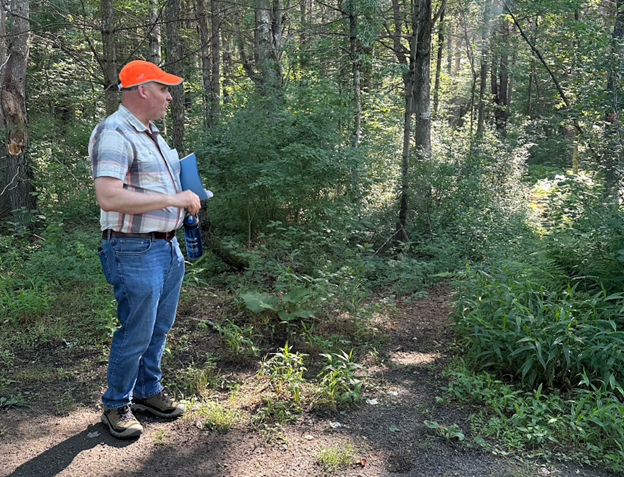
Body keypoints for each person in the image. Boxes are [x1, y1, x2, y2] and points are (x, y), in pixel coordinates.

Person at [89, 60, 201, 439]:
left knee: (159, 327)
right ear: (143, 90)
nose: (170, 96)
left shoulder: (153, 134)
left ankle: (147, 392)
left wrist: (189, 197)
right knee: (136, 330)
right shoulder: (114, 132)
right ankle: (116, 403)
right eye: (165, 89)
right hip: (132, 248)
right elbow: (108, 196)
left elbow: (161, 187)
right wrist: (173, 196)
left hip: (168, 248)